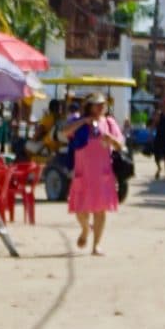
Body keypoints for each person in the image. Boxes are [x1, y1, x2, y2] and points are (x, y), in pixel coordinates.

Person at [61, 94, 126, 254]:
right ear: (88, 106)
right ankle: (85, 229)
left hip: (102, 173)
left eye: (102, 105)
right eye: (96, 105)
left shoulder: (109, 123)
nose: (100, 108)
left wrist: (110, 139)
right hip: (83, 172)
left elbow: (120, 145)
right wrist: (84, 121)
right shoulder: (78, 121)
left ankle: (96, 245)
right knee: (80, 210)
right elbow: (64, 133)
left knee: (100, 210)